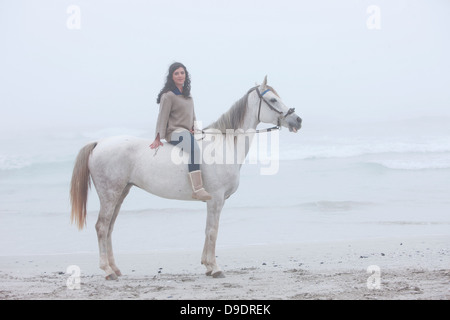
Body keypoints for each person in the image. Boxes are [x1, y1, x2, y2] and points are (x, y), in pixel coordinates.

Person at [150, 62, 212, 201]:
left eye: (182, 73)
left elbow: (193, 116)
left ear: (186, 75)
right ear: (172, 77)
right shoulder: (169, 95)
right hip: (174, 132)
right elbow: (162, 117)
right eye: (176, 73)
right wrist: (157, 137)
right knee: (195, 150)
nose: (180, 75)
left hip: (186, 131)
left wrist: (195, 129)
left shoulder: (188, 96)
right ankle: (197, 189)